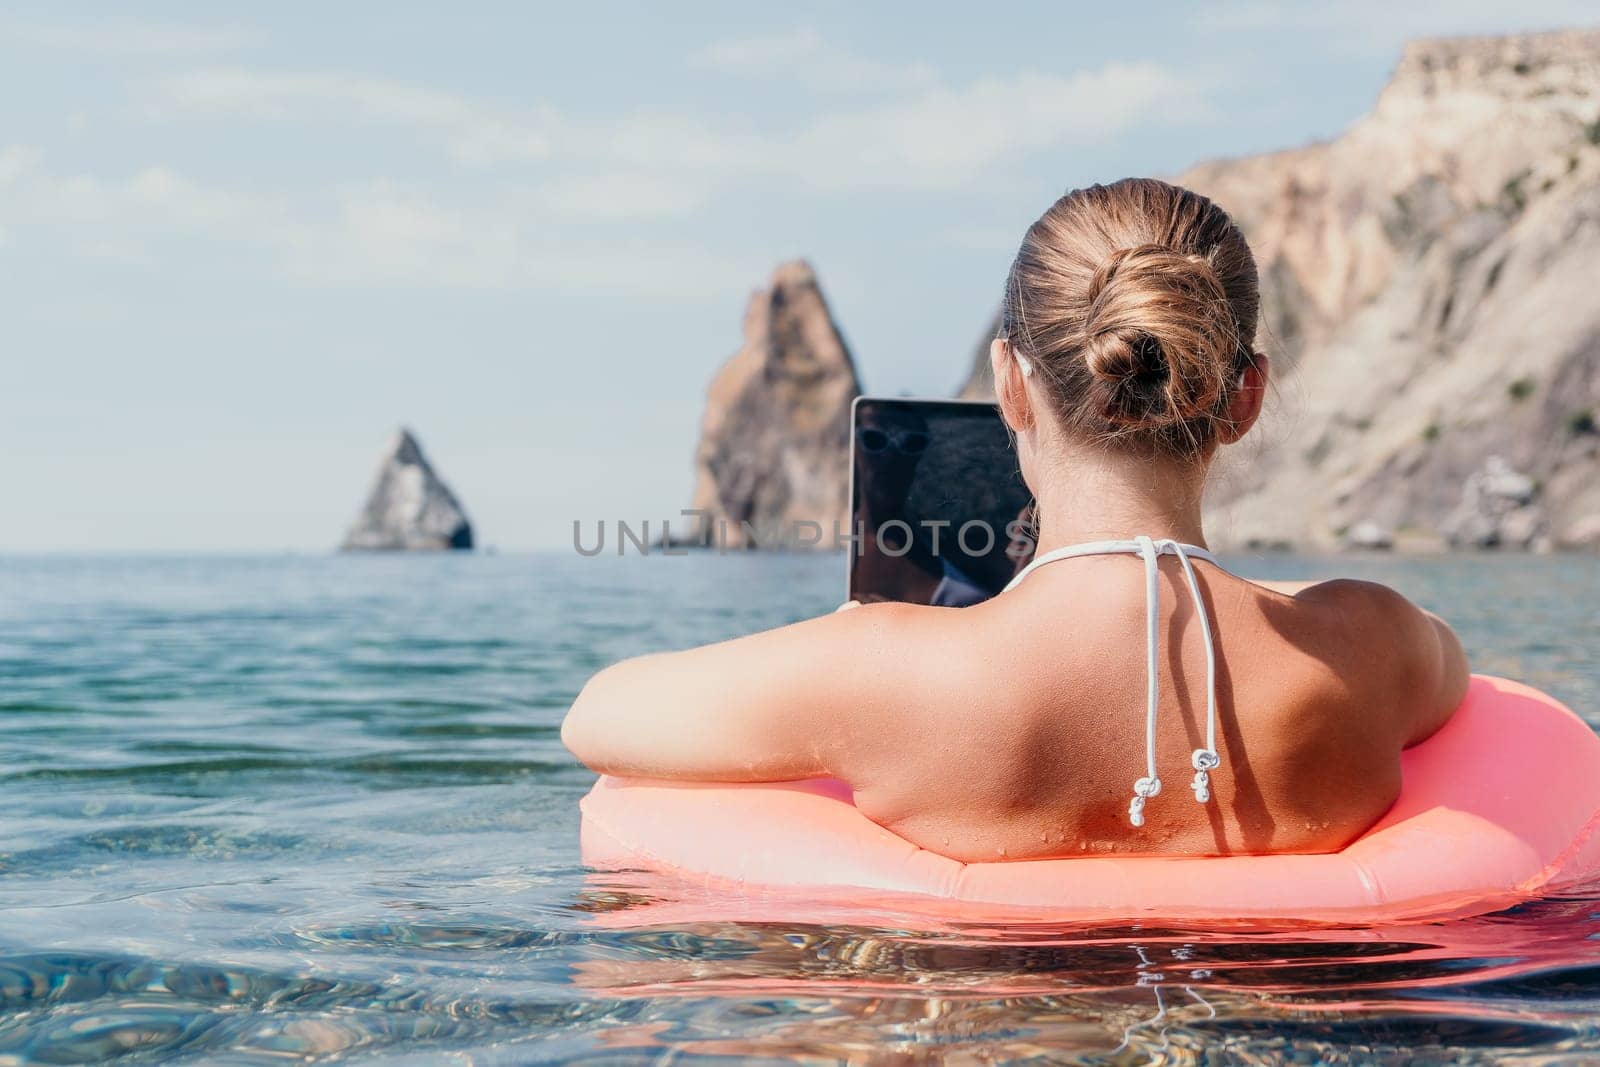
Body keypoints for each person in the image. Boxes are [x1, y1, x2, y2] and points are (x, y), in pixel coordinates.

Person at [562, 178, 1469, 859]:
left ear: (1009, 384)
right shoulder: (1371, 643)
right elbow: (1455, 674)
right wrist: (1275, 605)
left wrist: (872, 635)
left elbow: (597, 714)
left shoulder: (878, 672)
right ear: (1247, 398)